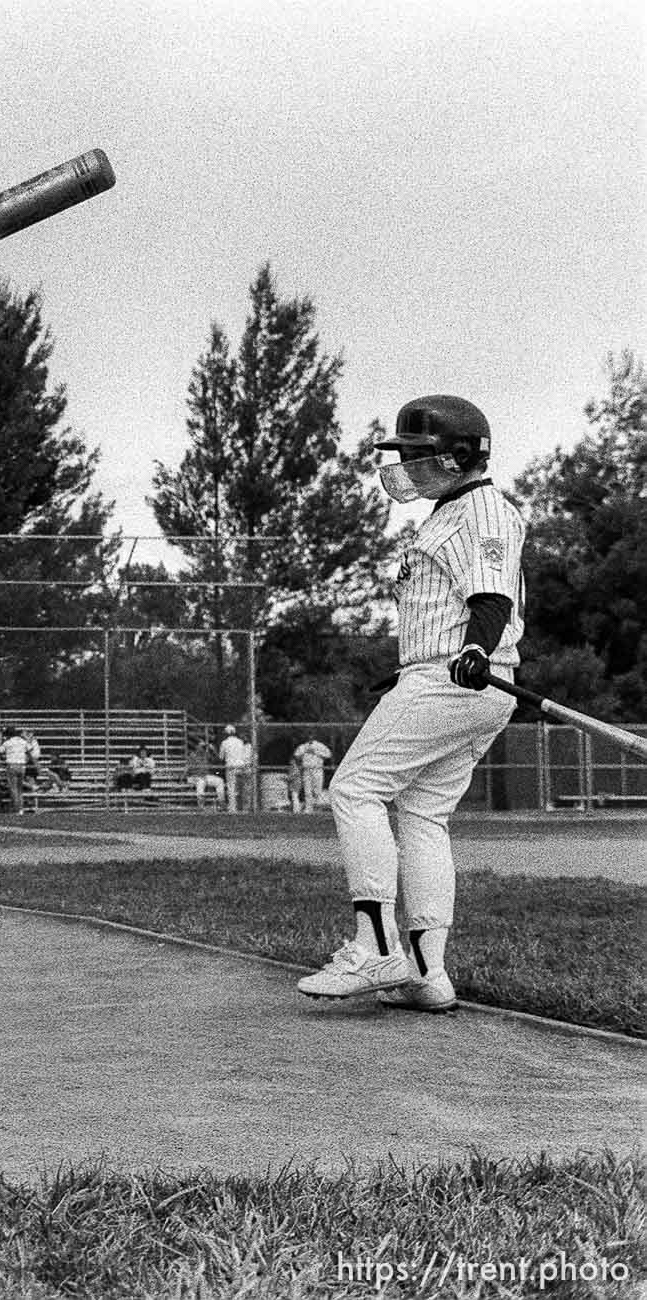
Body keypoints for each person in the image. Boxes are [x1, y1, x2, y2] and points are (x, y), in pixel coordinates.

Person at [298, 395, 522, 1014]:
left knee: (354, 790)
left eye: (414, 455)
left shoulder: (485, 511)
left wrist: (474, 649)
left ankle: (374, 948)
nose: (403, 467)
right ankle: (426, 974)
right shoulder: (448, 513)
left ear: (454, 458)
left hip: (457, 681)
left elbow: (492, 597)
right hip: (447, 678)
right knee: (423, 815)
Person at [290, 736, 333, 813]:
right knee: (307, 790)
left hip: (317, 769)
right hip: (306, 770)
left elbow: (329, 754)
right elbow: (296, 755)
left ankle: (317, 807)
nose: (310, 737)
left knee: (317, 790)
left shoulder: (320, 745)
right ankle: (308, 809)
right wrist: (304, 752)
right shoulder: (303, 746)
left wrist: (316, 752)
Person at [218, 725, 254, 813]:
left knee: (231, 788)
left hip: (231, 766)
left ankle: (233, 809)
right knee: (242, 788)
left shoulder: (224, 742)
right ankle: (244, 808)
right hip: (241, 766)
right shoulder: (240, 742)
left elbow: (221, 757)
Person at [0, 727, 31, 814]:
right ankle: (21, 808)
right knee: (20, 789)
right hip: (22, 766)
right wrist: (25, 759)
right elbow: (30, 750)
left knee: (13, 788)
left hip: (11, 765)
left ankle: (16, 809)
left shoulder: (8, 742)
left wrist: (4, 757)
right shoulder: (23, 741)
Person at [186, 736, 225, 809]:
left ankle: (221, 801)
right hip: (194, 777)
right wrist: (197, 775)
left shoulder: (205, 755)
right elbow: (188, 770)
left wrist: (213, 750)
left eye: (203, 746)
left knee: (220, 781)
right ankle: (201, 805)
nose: (203, 748)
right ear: (197, 747)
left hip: (204, 776)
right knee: (201, 782)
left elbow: (218, 759)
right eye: (201, 746)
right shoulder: (192, 755)